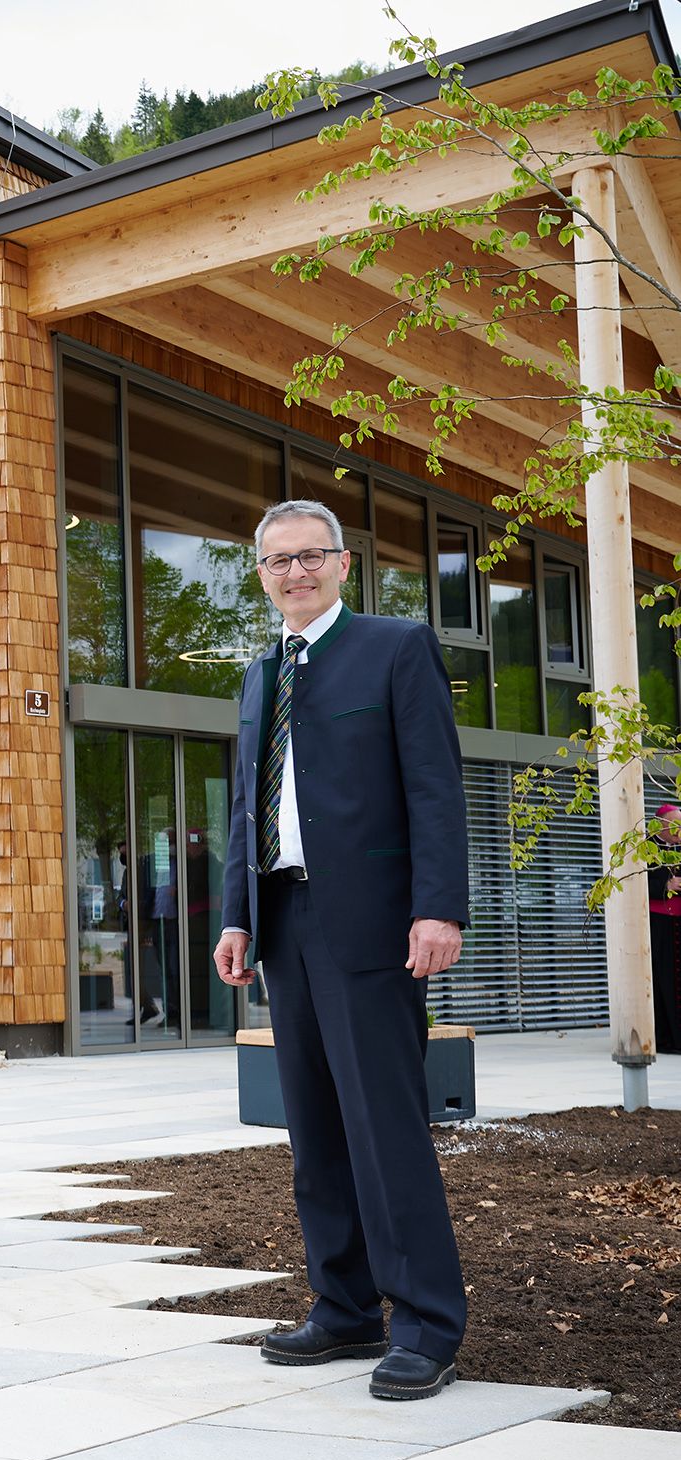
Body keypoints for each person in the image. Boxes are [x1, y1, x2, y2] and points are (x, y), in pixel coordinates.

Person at [213, 499, 469, 1402]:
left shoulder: (396, 647)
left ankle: (428, 1324)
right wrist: (235, 914)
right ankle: (345, 1306)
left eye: (310, 557)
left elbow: (436, 786)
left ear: (343, 563)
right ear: (262, 574)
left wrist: (438, 908)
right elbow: (249, 805)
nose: (295, 573)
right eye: (278, 561)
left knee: (383, 1128)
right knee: (315, 1132)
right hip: (283, 923)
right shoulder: (258, 674)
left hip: (373, 927)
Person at [648, 803, 681, 1054]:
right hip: (658, 925)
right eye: (675, 826)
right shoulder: (645, 848)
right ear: (660, 825)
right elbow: (635, 882)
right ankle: (666, 1039)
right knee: (662, 982)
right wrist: (666, 884)